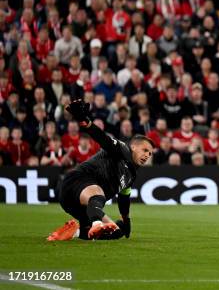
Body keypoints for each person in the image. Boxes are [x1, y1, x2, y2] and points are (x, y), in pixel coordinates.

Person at [47, 99, 154, 241]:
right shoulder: (122, 149)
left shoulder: (132, 175)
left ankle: (73, 232)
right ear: (134, 146)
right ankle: (96, 223)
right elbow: (104, 139)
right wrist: (86, 122)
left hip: (81, 207)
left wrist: (126, 219)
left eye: (150, 153)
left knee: (116, 232)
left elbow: (124, 198)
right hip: (75, 183)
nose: (147, 155)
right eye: (145, 150)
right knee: (98, 197)